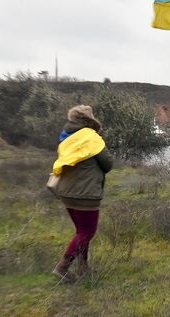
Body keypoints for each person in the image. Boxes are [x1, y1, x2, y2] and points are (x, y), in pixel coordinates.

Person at [51, 105, 113, 282]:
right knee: (87, 232)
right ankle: (62, 267)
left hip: (66, 191)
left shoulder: (65, 136)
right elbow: (108, 163)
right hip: (85, 193)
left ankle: (83, 267)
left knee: (81, 231)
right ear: (89, 120)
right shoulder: (90, 137)